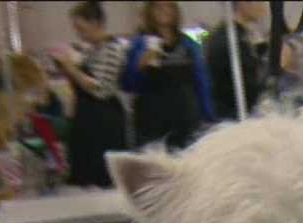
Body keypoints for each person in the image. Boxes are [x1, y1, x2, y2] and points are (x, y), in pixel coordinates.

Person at [52, 1, 129, 188]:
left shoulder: (113, 49)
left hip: (104, 124)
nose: (78, 33)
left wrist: (71, 68)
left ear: (96, 23)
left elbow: (100, 89)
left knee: (105, 179)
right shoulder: (90, 51)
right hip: (86, 121)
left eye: (81, 28)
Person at [121, 1, 215, 149]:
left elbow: (201, 81)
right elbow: (127, 85)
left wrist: (208, 116)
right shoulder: (140, 43)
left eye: (169, 6)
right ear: (150, 11)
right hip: (152, 119)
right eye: (158, 6)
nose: (164, 10)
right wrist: (139, 65)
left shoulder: (188, 43)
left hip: (186, 116)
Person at [204, 0, 270, 121]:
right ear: (243, 3)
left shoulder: (240, 36)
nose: (264, 6)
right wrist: (277, 67)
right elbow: (249, 92)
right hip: (235, 120)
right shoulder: (231, 40)